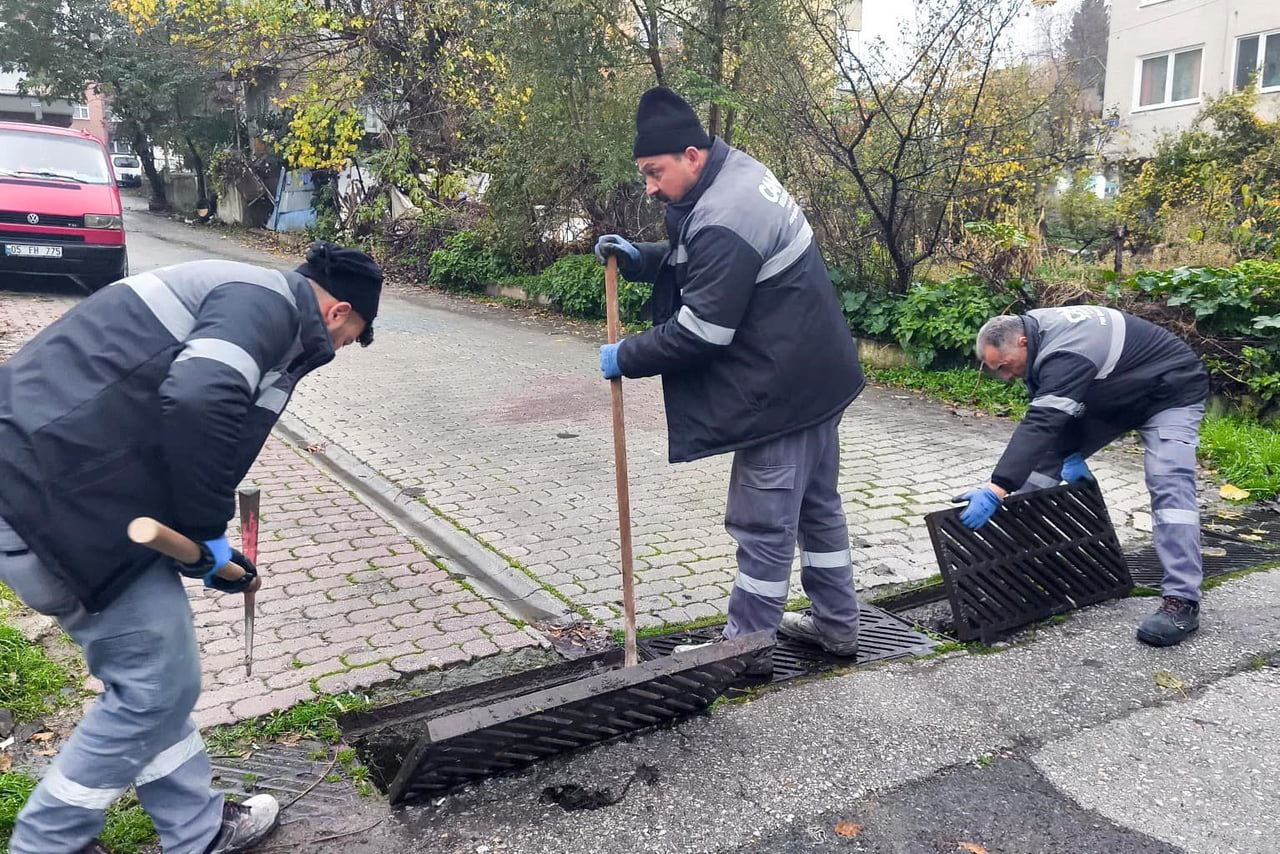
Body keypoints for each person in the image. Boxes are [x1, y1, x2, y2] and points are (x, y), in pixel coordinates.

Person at [0, 241, 383, 854]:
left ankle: (196, 829)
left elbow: (170, 416)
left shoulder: (246, 296)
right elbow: (203, 396)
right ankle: (49, 842)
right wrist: (205, 532)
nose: (337, 352)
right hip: (52, 498)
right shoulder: (264, 304)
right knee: (157, 686)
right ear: (338, 313)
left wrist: (207, 549)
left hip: (67, 489)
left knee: (153, 681)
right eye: (348, 337)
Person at [593, 87, 865, 675]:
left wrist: (628, 356)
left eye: (653, 172)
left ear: (691, 155)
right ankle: (839, 627)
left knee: (763, 522)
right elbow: (709, 255)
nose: (649, 187)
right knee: (818, 508)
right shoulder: (735, 173)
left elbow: (702, 332)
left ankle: (745, 650)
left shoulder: (725, 211)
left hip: (782, 394)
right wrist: (642, 258)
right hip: (820, 379)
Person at [957, 305, 1210, 647]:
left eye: (1005, 367)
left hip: (1169, 390)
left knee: (1169, 483)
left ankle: (1182, 600)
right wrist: (1066, 452)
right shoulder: (1036, 335)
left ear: (1021, 343)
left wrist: (996, 487)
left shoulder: (1067, 350)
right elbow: (1049, 425)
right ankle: (1012, 571)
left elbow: (1043, 422)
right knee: (1040, 469)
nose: (1006, 377)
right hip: (1114, 395)